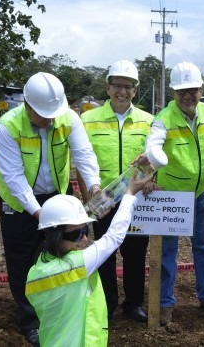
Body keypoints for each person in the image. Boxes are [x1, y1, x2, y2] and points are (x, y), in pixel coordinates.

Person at [0, 72, 102, 346]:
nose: (51, 119)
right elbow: (14, 178)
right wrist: (40, 215)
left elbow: (84, 154)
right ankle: (30, 320)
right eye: (44, 114)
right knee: (22, 259)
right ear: (28, 106)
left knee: (65, 251)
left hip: (58, 196)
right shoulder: (8, 127)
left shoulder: (68, 117)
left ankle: (63, 306)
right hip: (19, 203)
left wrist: (95, 185)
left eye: (54, 113)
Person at [26, 170, 153, 347]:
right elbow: (114, 237)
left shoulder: (37, 268)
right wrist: (129, 194)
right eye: (77, 234)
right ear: (54, 234)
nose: (84, 239)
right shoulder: (76, 265)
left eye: (85, 231)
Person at [143, 61, 204, 326]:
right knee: (167, 251)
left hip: (200, 191)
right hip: (171, 196)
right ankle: (165, 303)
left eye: (192, 90)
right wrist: (152, 159)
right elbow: (153, 142)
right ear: (173, 94)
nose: (187, 96)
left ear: (201, 89)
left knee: (203, 246)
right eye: (181, 91)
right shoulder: (163, 120)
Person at [80, 60, 153, 323]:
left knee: (135, 254)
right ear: (107, 88)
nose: (122, 91)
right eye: (117, 86)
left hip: (136, 200)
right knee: (104, 254)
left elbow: (155, 158)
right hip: (103, 200)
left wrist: (151, 178)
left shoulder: (148, 121)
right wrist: (90, 198)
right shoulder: (87, 120)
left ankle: (133, 304)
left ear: (135, 90)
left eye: (128, 87)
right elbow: (81, 159)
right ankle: (108, 303)